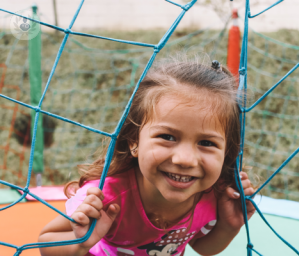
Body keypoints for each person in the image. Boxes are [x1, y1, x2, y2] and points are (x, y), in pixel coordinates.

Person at [38, 58, 255, 256]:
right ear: (134, 141)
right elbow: (45, 242)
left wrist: (228, 226)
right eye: (167, 137)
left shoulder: (214, 195)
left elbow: (202, 248)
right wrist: (81, 241)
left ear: (227, 152)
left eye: (206, 143)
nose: (185, 159)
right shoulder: (105, 197)